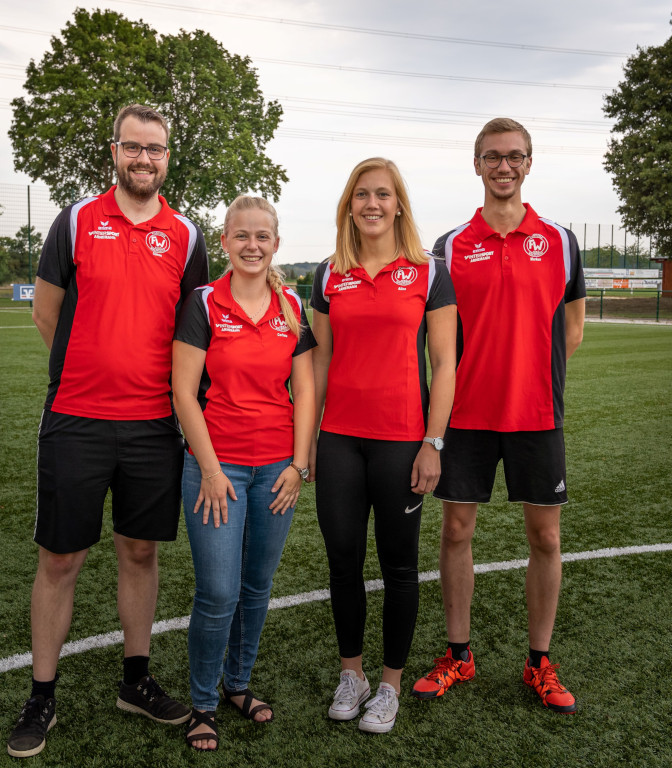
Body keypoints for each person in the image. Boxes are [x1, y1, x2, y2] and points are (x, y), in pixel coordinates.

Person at [6, 104, 209, 759]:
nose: (143, 159)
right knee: (61, 559)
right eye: (133, 147)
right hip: (76, 420)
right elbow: (46, 311)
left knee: (139, 553)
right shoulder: (75, 221)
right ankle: (42, 694)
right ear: (114, 152)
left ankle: (135, 679)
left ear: (167, 158)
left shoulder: (187, 234)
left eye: (155, 149)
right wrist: (92, 371)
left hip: (154, 426)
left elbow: (193, 334)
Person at [411, 118, 586, 713]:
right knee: (456, 531)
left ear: (528, 164)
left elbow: (574, 327)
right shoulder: (451, 245)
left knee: (546, 536)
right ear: (477, 165)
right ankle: (459, 654)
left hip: (538, 414)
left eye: (513, 157)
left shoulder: (560, 240)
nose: (503, 166)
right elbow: (438, 336)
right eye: (492, 157)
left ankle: (539, 662)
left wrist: (530, 373)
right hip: (467, 416)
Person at [310, 158, 457, 733]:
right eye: (362, 195)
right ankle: (353, 675)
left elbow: (444, 363)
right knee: (341, 560)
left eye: (383, 195)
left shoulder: (428, 271)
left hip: (402, 442)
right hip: (341, 440)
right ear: (349, 205)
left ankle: (390, 684)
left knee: (399, 565)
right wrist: (312, 440)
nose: (372, 204)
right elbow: (317, 363)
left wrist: (433, 442)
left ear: (399, 204)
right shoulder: (328, 273)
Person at [172, 195, 316, 751]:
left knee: (256, 589)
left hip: (277, 471)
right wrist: (209, 469)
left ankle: (238, 685)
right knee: (217, 591)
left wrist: (299, 467)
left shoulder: (290, 305)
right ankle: (202, 702)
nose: (252, 246)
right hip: (218, 470)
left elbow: (303, 390)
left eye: (263, 236)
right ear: (225, 241)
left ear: (275, 243)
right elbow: (183, 391)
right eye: (241, 236)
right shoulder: (203, 303)